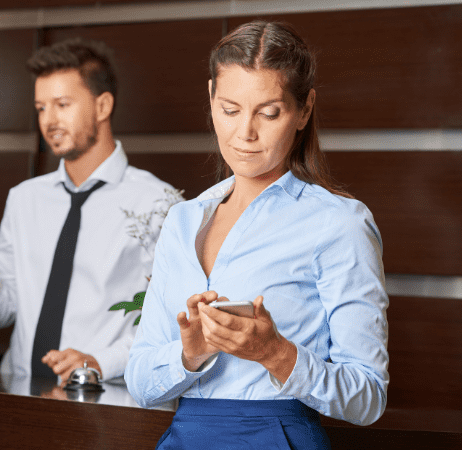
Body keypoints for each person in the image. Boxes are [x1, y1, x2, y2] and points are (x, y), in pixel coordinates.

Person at [125, 21, 389, 449]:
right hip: (184, 437)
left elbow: (368, 398)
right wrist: (189, 354)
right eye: (230, 110)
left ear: (304, 110)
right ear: (211, 97)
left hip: (276, 436)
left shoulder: (339, 223)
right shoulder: (182, 220)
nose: (245, 133)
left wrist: (277, 355)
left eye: (269, 113)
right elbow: (140, 382)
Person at [0, 38, 180, 383]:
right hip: (18, 394)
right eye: (41, 107)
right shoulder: (24, 199)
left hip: (104, 398)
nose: (49, 121)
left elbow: (171, 322)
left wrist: (99, 362)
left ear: (103, 106)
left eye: (62, 104)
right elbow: (1, 314)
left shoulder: (158, 203)